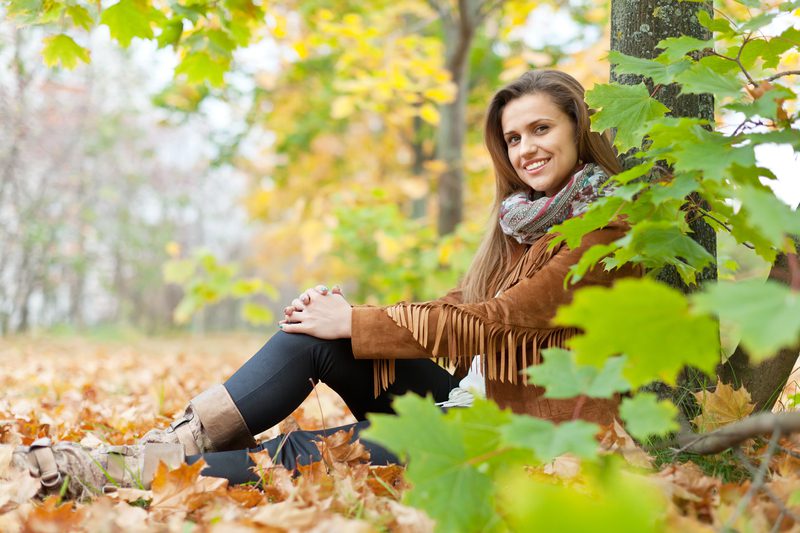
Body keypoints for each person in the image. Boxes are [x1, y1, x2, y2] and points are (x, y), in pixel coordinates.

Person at [8, 70, 639, 499]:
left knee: (310, 453)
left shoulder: (606, 229)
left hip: (518, 435)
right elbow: (459, 305)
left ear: (578, 129)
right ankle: (174, 443)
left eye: (541, 129)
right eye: (512, 137)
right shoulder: (522, 224)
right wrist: (344, 317)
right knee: (312, 339)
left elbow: (501, 320)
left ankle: (115, 474)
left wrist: (358, 321)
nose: (525, 148)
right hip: (466, 404)